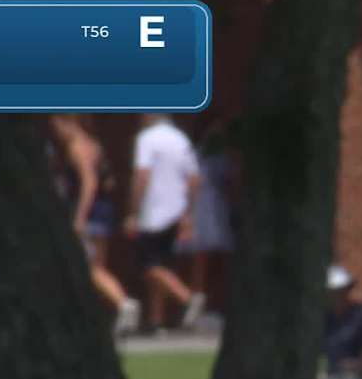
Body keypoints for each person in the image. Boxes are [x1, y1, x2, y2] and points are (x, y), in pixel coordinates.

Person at [49, 114, 140, 334]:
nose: (56, 133)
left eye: (58, 127)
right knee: (98, 266)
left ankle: (123, 302)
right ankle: (99, 316)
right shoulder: (94, 145)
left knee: (87, 267)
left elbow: (89, 183)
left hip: (90, 216)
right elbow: (108, 180)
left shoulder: (76, 148)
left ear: (69, 123)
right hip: (103, 212)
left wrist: (80, 217)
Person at [125, 114, 204, 332]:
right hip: (176, 210)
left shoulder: (146, 139)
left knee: (148, 266)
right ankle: (156, 321)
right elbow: (195, 179)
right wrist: (188, 213)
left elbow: (142, 175)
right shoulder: (181, 139)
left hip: (153, 211)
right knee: (162, 266)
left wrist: (133, 212)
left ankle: (187, 298)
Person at [179, 114, 237, 306]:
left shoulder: (223, 155)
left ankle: (217, 299)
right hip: (203, 207)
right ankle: (197, 299)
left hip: (216, 206)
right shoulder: (196, 153)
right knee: (200, 258)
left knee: (219, 257)